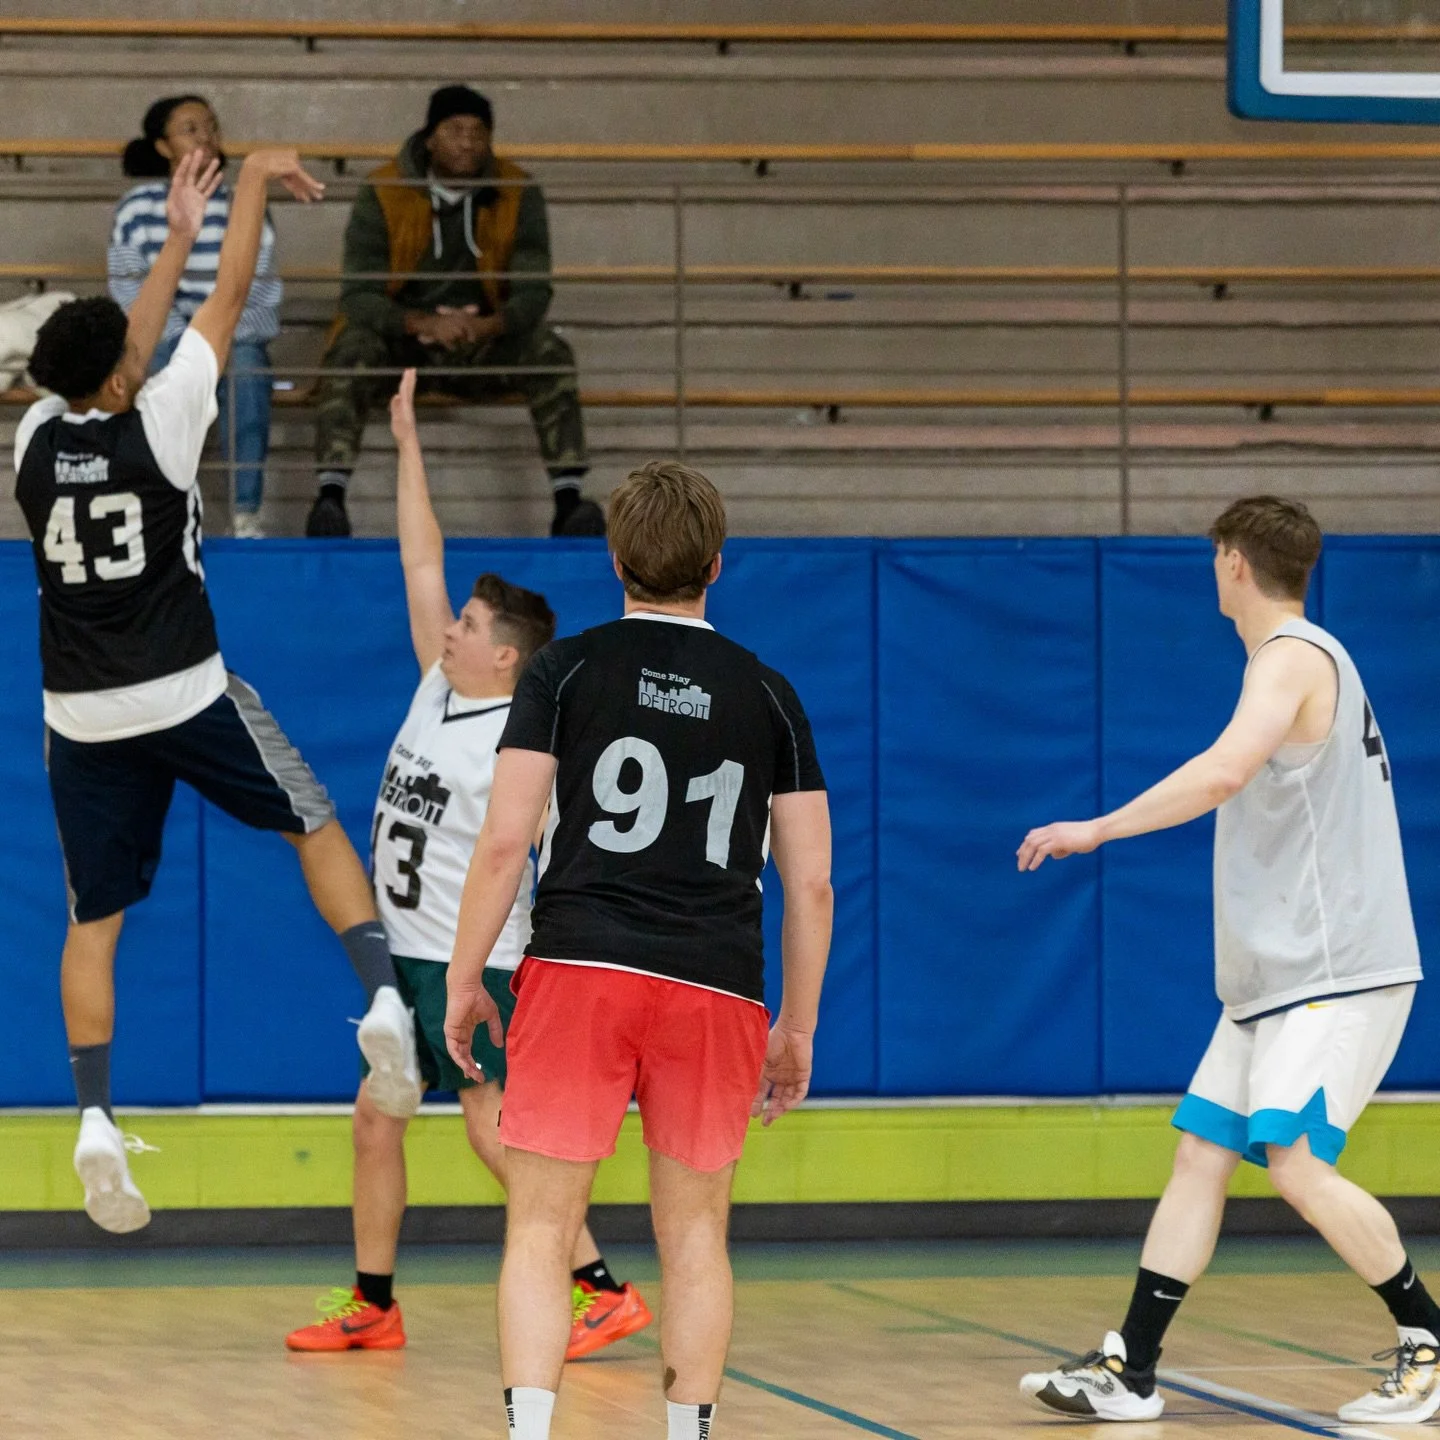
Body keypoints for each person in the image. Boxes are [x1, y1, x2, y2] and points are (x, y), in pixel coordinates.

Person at [15, 149, 423, 1238]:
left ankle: (96, 1117)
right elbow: (228, 302)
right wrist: (240, 193)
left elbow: (125, 343)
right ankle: (382, 996)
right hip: (186, 690)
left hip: (81, 714)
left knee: (91, 922)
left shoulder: (34, 438)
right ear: (118, 380)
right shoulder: (166, 421)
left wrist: (176, 231)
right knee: (313, 821)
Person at [1016, 496, 1436, 1425]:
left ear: (1234, 562)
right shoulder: (1290, 660)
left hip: (1339, 973)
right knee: (1201, 1157)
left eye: (1216, 557)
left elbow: (1222, 772)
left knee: (1289, 1162)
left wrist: (1099, 827)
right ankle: (1132, 1369)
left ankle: (1427, 1339)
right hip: (1275, 980)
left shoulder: (1293, 656)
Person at [441, 460, 833, 1440]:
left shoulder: (562, 670)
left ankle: (530, 1432)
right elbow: (813, 883)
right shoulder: (770, 693)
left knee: (537, 1226)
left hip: (579, 967)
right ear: (716, 564)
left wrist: (464, 976)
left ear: (615, 558)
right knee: (696, 1233)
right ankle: (686, 1430)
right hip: (716, 984)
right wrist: (798, 1024)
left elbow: (503, 842)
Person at [284, 369, 649, 1358]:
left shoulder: (525, 742)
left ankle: (601, 1288)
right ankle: (375, 1301)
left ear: (507, 659)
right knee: (377, 1121)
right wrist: (404, 442)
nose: (451, 627)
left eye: (471, 628)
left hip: (475, 965)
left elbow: (562, 857)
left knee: (494, 1130)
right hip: (399, 961)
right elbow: (418, 563)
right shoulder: (437, 691)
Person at [304, 83, 601, 541]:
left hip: (482, 339)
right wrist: (422, 323)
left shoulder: (516, 190)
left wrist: (487, 324)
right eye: (455, 130)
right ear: (429, 137)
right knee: (350, 348)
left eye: (479, 132)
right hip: (405, 342)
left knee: (549, 350)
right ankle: (330, 498)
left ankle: (568, 503)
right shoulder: (384, 190)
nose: (467, 142)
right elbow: (359, 294)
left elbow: (533, 290)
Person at [109, 94, 279, 538]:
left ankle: (246, 515)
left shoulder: (245, 206)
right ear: (163, 147)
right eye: (191, 129)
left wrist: (213, 341)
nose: (206, 137)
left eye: (211, 127)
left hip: (231, 340)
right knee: (155, 362)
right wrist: (190, 345)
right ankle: (155, 510)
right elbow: (130, 293)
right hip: (167, 338)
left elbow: (261, 299)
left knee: (247, 366)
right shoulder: (136, 209)